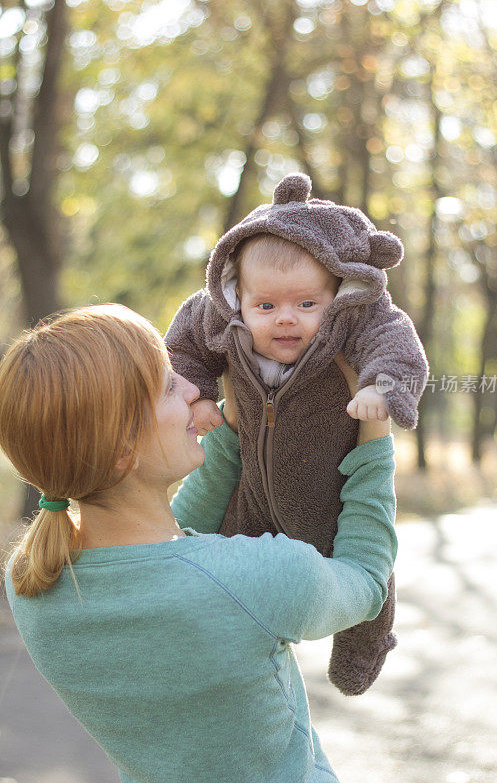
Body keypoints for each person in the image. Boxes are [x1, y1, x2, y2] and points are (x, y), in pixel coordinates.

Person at [2, 304, 395, 783]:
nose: (191, 389)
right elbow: (367, 580)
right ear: (124, 449)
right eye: (169, 385)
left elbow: (169, 549)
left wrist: (232, 422)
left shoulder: (31, 584)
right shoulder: (255, 578)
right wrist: (375, 437)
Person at [165, 172, 428, 695]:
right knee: (217, 559)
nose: (286, 320)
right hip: (252, 493)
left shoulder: (355, 320)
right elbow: (182, 349)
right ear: (237, 295)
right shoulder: (218, 319)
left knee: (365, 568)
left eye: (307, 305)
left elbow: (395, 341)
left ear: (338, 294)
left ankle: (364, 642)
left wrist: (381, 386)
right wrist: (195, 395)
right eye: (266, 306)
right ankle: (216, 647)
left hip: (332, 493)